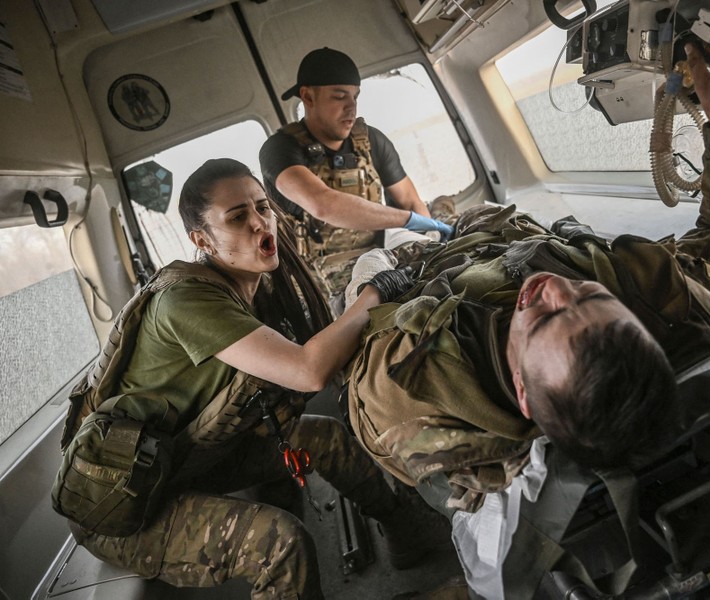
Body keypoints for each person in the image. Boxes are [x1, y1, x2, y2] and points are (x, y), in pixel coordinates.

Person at [343, 27, 710, 513]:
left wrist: (379, 280)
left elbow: (363, 394)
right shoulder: (661, 314)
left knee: (386, 238)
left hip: (413, 271)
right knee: (457, 210)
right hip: (496, 226)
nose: (552, 288)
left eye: (545, 317)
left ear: (524, 397)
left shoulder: (408, 391)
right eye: (591, 297)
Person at [54, 158, 444, 600]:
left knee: (325, 437)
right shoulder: (187, 299)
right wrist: (377, 289)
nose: (261, 223)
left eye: (263, 208)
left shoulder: (248, 286)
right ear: (202, 240)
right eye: (238, 217)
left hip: (184, 464)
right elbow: (308, 370)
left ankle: (408, 533)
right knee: (279, 544)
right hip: (123, 504)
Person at [260, 47, 453, 315]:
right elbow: (323, 205)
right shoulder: (280, 150)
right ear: (307, 96)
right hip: (318, 284)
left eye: (355, 97)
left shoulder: (370, 140)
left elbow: (409, 199)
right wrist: (407, 219)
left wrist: (430, 242)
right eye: (339, 97)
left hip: (381, 259)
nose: (351, 107)